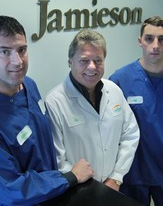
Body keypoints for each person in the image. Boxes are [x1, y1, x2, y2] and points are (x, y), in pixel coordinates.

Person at [0, 15, 94, 206]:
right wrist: (70, 177)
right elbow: (11, 188)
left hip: (46, 195)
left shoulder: (28, 85)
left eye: (22, 50)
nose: (17, 61)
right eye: (5, 52)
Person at [109, 16, 163, 206]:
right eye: (149, 38)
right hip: (132, 172)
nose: (155, 45)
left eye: (162, 39)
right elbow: (112, 126)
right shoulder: (120, 79)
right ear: (140, 41)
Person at [45, 29, 140, 192]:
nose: (92, 66)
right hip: (79, 190)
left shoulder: (114, 90)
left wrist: (116, 177)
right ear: (70, 62)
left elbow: (130, 133)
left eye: (98, 60)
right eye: (84, 60)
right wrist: (90, 187)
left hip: (113, 185)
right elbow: (57, 159)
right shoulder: (55, 101)